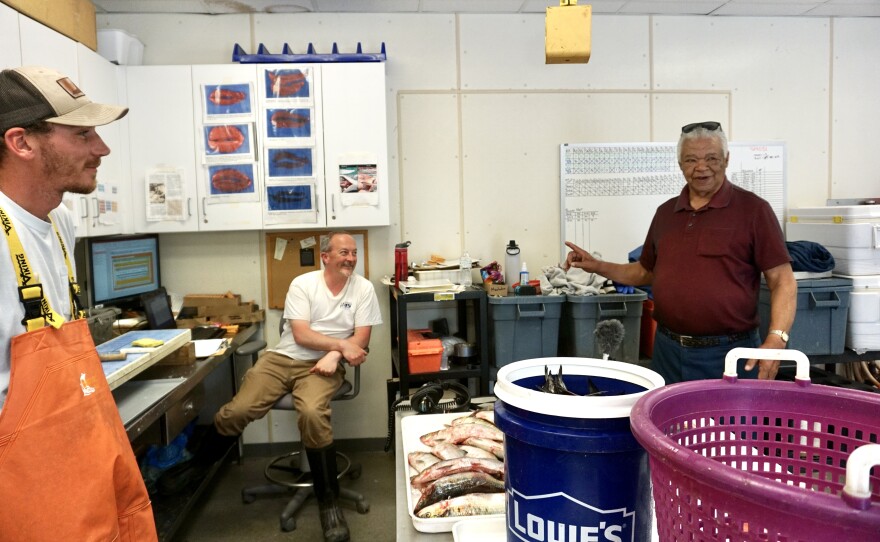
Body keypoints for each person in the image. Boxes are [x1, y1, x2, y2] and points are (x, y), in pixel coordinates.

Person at [0, 66, 157, 540]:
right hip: (25, 489)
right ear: (22, 143)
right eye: (83, 134)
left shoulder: (60, 222)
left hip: (84, 468)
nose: (102, 149)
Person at [171, 231, 381, 542]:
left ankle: (329, 504)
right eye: (343, 253)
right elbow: (301, 335)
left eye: (353, 253)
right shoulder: (303, 285)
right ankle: (194, 471)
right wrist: (340, 345)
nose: (350, 258)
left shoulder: (363, 289)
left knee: (311, 412)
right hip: (283, 359)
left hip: (323, 367)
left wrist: (335, 355)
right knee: (236, 411)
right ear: (326, 257)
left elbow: (361, 339)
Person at [565, 121, 796, 384]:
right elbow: (645, 271)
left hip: (729, 354)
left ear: (726, 159)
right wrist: (597, 266)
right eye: (691, 160)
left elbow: (783, 280)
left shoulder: (754, 210)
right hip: (667, 351)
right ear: (680, 165)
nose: (701, 167)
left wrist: (776, 338)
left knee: (730, 426)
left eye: (711, 158)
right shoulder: (666, 213)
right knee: (667, 426)